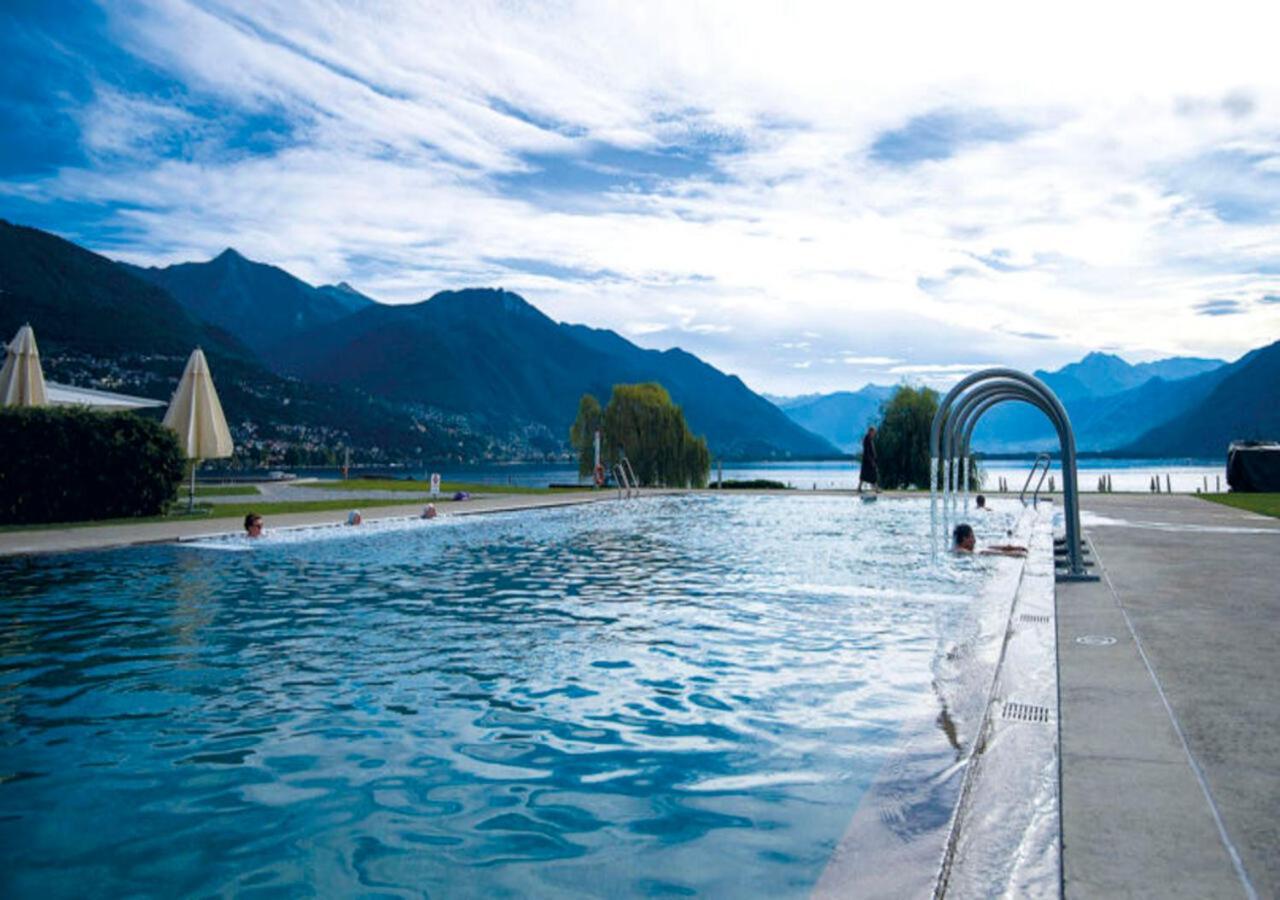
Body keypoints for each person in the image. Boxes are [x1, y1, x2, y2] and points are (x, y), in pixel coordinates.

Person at [953, 522, 1026, 557]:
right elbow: (982, 552)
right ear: (965, 539)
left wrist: (1010, 548)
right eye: (972, 536)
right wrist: (1008, 554)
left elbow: (987, 548)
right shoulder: (960, 551)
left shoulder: (965, 549)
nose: (975, 540)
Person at [858, 425, 879, 493]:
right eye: (873, 432)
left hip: (868, 460)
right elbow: (867, 450)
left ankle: (860, 488)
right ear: (870, 432)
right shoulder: (867, 439)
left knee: (865, 475)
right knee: (872, 474)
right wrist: (871, 460)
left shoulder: (869, 439)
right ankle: (876, 489)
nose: (874, 434)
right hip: (868, 460)